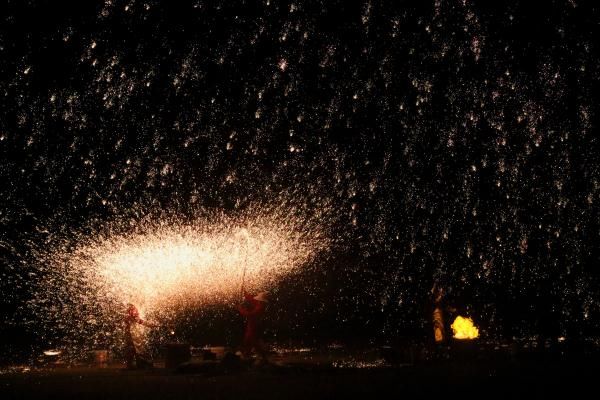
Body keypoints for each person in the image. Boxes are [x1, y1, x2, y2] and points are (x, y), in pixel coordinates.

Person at [237, 291, 268, 363]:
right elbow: (251, 299)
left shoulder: (260, 308)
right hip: (251, 324)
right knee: (247, 339)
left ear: (261, 301)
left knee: (253, 341)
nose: (257, 300)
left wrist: (240, 309)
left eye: (259, 300)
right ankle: (247, 355)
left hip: (254, 325)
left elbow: (249, 315)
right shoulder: (259, 303)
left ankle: (263, 357)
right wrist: (245, 292)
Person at [123, 303, 155, 369]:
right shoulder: (131, 307)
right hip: (130, 333)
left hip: (129, 332)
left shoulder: (129, 307)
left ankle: (132, 365)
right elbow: (138, 320)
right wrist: (149, 324)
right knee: (133, 348)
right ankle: (135, 365)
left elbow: (135, 319)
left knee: (131, 349)